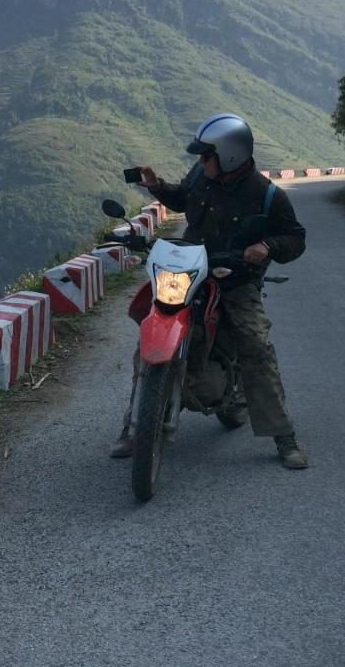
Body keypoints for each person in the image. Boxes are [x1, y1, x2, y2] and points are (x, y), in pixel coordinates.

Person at [114, 112, 309, 469]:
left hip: (236, 280)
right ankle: (134, 428)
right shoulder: (201, 177)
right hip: (192, 271)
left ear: (229, 155)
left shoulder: (267, 196)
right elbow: (183, 199)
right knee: (148, 336)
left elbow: (295, 239)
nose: (201, 162)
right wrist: (157, 186)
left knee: (255, 345)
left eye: (207, 156)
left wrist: (266, 246)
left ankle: (284, 437)